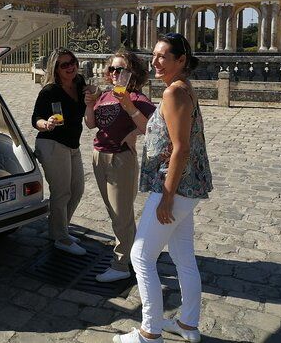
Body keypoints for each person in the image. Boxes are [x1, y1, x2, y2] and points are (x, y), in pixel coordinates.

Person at [114, 33, 213, 343]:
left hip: (174, 185)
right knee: (183, 255)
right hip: (186, 184)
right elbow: (165, 136)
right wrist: (129, 106)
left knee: (141, 256)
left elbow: (181, 149)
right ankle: (187, 324)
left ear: (181, 60)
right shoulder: (181, 89)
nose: (155, 61)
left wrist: (167, 198)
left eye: (162, 56)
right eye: (153, 55)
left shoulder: (174, 94)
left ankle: (149, 332)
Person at [84, 51, 155, 282]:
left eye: (120, 69)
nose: (115, 74)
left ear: (132, 72)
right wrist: (89, 104)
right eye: (112, 69)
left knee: (121, 215)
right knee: (114, 212)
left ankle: (121, 265)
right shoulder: (105, 96)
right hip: (99, 155)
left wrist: (132, 127)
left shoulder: (136, 98)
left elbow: (153, 127)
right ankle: (135, 256)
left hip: (120, 159)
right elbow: (91, 124)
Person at [32, 48, 88, 256]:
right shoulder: (50, 91)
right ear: (55, 69)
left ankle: (59, 230)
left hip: (72, 143)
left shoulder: (80, 82)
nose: (70, 67)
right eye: (64, 64)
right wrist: (45, 123)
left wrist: (93, 92)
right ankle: (61, 238)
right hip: (52, 143)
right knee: (62, 192)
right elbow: (35, 118)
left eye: (72, 61)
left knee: (77, 189)